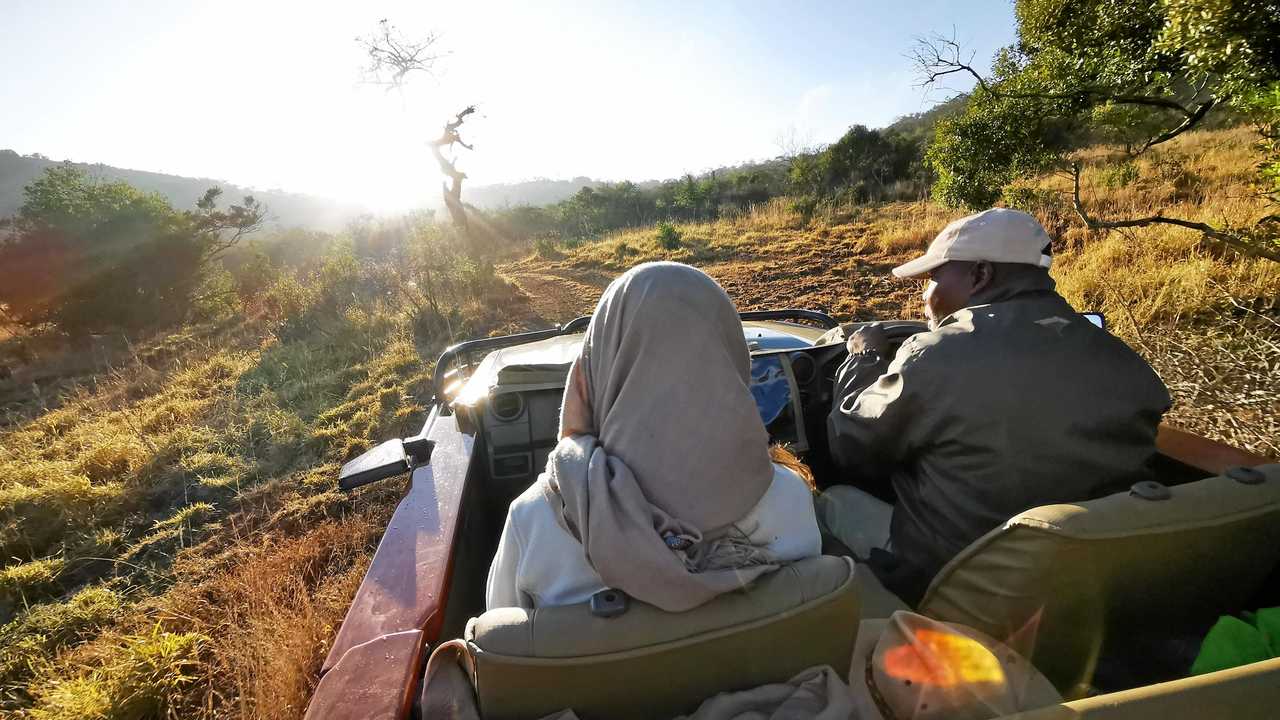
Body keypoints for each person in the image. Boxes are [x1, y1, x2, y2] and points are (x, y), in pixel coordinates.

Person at [819, 208, 1171, 604]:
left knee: (832, 500)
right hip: (1083, 578)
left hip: (954, 579)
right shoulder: (1121, 358)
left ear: (980, 275)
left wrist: (863, 359)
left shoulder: (934, 355)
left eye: (934, 277)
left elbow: (849, 447)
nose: (925, 293)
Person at [485, 261, 821, 612]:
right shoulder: (791, 498)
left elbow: (501, 644)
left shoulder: (534, 522)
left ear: (594, 369)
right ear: (730, 359)